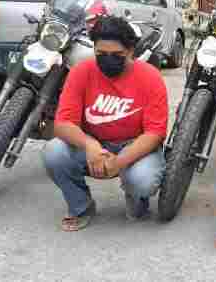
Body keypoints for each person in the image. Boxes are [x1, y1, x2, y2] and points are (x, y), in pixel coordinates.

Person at [43, 16, 168, 231]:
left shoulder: (150, 77)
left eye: (117, 55)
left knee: (143, 180)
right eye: (101, 54)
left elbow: (154, 133)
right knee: (53, 152)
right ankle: (81, 206)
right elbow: (63, 123)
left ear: (131, 51)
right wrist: (90, 145)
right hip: (95, 143)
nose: (108, 60)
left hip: (134, 144)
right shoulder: (81, 72)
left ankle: (136, 198)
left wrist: (119, 162)